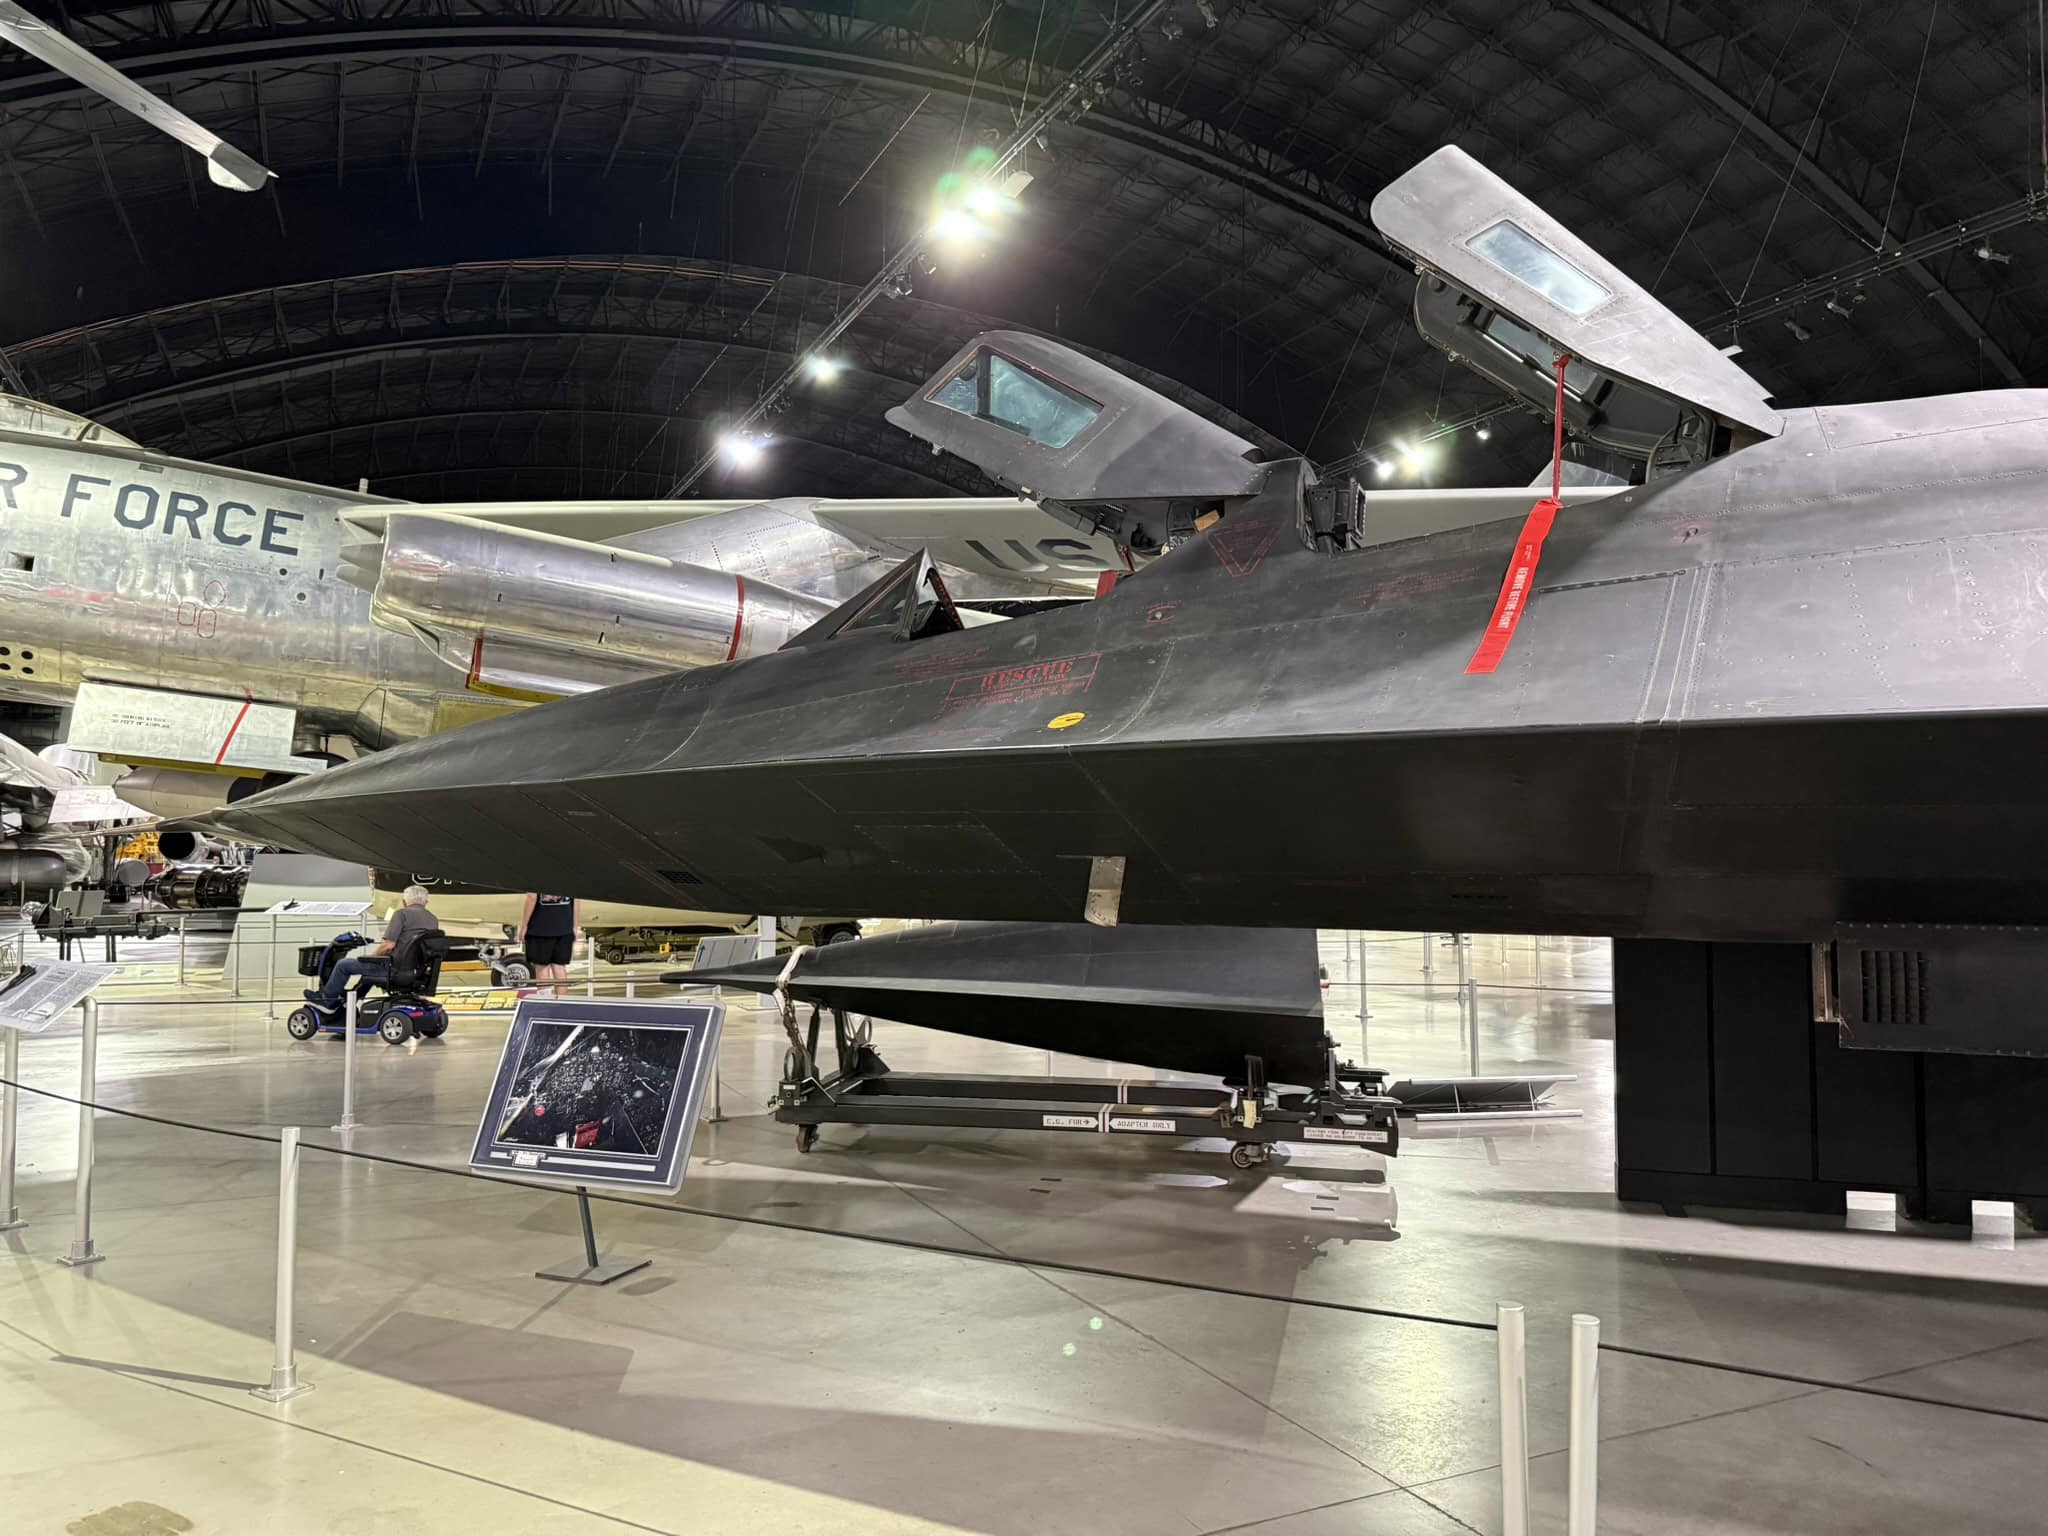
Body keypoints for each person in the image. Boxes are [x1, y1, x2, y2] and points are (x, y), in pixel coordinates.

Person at [306, 884, 439, 1008]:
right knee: (367, 975)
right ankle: (348, 1003)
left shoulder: (401, 915)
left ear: (405, 901)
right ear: (425, 902)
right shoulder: (433, 919)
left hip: (394, 970)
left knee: (343, 965)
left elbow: (388, 945)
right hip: (416, 973)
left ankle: (327, 1000)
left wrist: (372, 957)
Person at [519, 891, 580, 996]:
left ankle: (545, 1003)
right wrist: (575, 926)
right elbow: (577, 899)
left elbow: (532, 897)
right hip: (564, 927)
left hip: (540, 928)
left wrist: (524, 925)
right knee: (559, 967)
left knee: (542, 968)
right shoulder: (572, 875)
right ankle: (562, 1004)